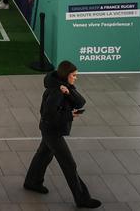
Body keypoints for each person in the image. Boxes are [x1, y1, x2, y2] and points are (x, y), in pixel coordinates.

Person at [24, 61, 100, 208]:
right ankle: (82, 198)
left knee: (43, 155)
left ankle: (32, 182)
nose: (75, 78)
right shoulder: (56, 92)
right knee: (69, 164)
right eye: (74, 75)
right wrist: (69, 115)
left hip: (50, 130)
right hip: (52, 132)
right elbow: (48, 115)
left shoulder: (64, 87)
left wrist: (68, 92)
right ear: (66, 75)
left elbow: (80, 102)